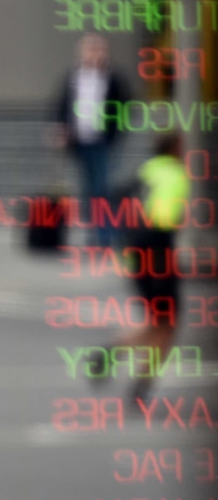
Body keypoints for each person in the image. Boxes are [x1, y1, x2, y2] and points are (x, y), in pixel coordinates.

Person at [86, 133, 191, 408]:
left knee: (160, 322)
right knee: (168, 325)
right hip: (158, 252)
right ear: (175, 148)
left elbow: (123, 199)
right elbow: (163, 216)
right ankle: (139, 385)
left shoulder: (147, 169)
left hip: (135, 253)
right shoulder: (174, 174)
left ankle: (119, 360)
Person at [52, 33, 131, 248]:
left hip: (102, 142)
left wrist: (115, 133)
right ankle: (93, 234)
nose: (95, 53)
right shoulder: (73, 76)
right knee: (88, 189)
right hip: (78, 142)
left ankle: (106, 236)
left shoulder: (113, 78)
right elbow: (62, 104)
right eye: (91, 49)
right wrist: (60, 128)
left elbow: (123, 108)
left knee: (102, 188)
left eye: (99, 49)